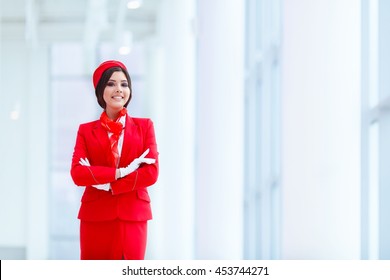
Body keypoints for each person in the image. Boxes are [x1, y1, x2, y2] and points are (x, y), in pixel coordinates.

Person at [70, 60, 159, 260]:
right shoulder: (86, 131)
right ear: (101, 90)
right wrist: (119, 173)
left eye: (124, 84)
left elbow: (151, 173)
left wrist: (111, 186)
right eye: (111, 84)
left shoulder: (145, 127)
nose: (118, 89)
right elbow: (78, 173)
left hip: (133, 216)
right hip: (95, 216)